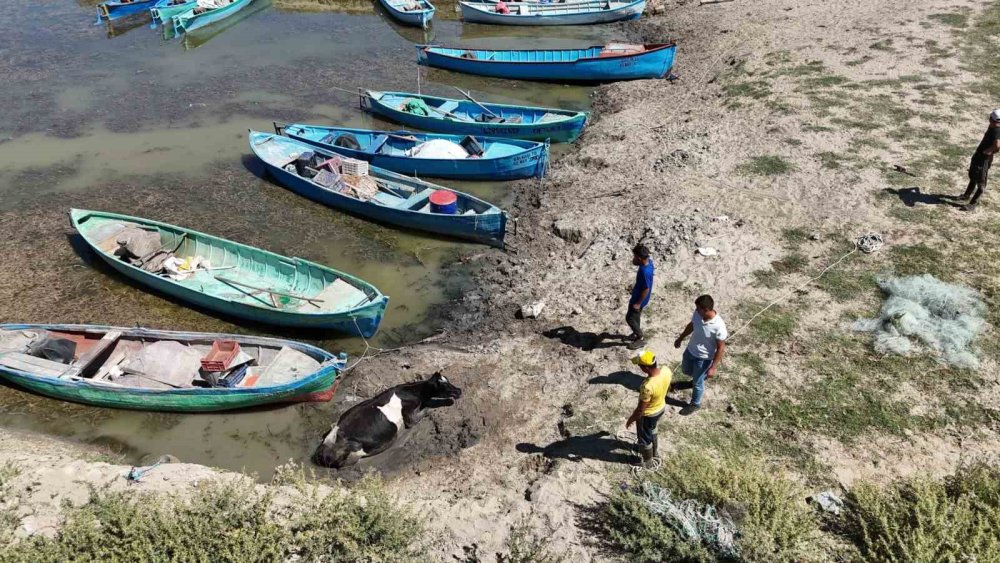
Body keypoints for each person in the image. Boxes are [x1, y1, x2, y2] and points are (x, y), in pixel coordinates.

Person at [673, 295, 727, 416]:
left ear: (705, 309)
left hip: (703, 359)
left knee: (698, 383)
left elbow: (721, 348)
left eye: (698, 308)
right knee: (686, 370)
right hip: (690, 351)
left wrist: (713, 367)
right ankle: (696, 380)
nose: (696, 310)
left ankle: (695, 403)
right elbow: (692, 325)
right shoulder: (698, 315)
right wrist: (681, 338)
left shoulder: (719, 326)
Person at [625, 349, 669, 466]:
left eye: (640, 365)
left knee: (644, 438)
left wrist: (631, 419)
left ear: (646, 368)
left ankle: (647, 461)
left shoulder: (647, 386)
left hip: (648, 414)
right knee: (652, 429)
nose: (640, 368)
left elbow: (641, 410)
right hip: (661, 408)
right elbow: (668, 387)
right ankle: (655, 452)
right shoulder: (666, 371)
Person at [959, 109, 1000, 211]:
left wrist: (988, 152)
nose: (990, 121)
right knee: (973, 175)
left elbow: (997, 146)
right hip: (979, 156)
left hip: (983, 159)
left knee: (981, 184)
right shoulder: (993, 126)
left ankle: (972, 204)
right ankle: (966, 195)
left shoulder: (996, 130)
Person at [626, 244, 654, 350]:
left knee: (629, 318)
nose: (633, 258)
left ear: (638, 257)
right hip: (643, 298)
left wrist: (637, 303)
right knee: (636, 317)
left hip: (638, 299)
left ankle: (640, 338)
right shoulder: (649, 263)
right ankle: (635, 333)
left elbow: (646, 288)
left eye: (634, 256)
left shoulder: (644, 271)